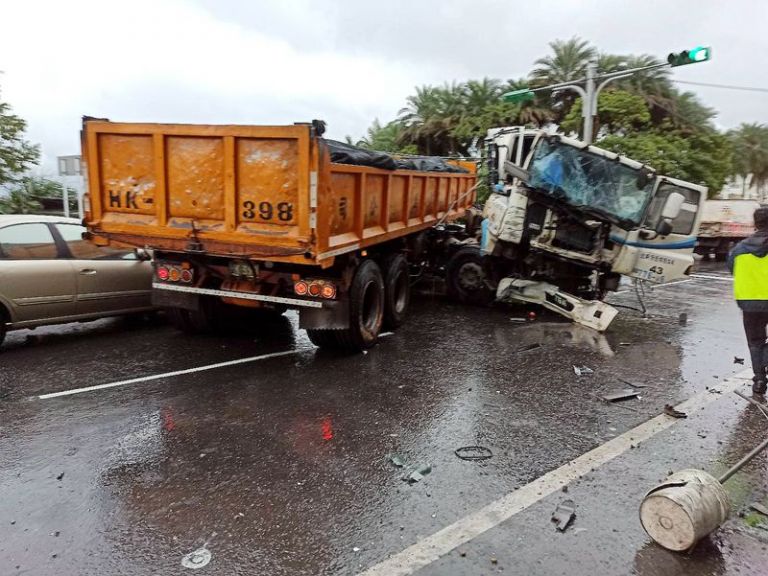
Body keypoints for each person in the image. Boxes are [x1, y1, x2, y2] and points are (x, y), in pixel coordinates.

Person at [728, 206, 768, 396]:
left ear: (755, 223)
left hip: (750, 302)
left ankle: (759, 380)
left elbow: (732, 268)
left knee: (755, 342)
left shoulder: (740, 249)